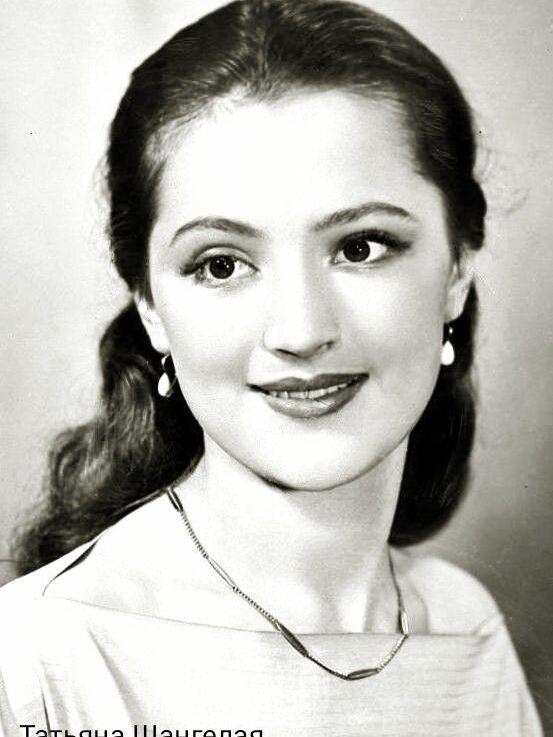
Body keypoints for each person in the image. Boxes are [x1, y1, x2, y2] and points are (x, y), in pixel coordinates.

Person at [0, 0, 543, 734]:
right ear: (150, 305)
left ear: (456, 271)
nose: (301, 332)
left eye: (360, 247)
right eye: (222, 264)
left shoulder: (465, 626)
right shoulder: (35, 661)